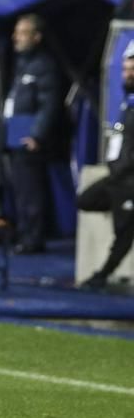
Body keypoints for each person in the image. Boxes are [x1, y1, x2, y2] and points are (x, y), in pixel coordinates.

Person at [3, 13, 65, 254]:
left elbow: (49, 104)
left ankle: (33, 237)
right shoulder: (22, 63)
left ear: (36, 37)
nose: (15, 37)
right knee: (21, 191)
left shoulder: (44, 65)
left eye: (22, 32)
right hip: (15, 136)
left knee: (31, 192)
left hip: (29, 139)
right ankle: (24, 233)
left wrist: (37, 135)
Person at [78, 52, 134, 288]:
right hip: (117, 177)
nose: (127, 75)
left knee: (124, 231)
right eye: (125, 70)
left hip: (130, 180)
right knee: (85, 200)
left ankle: (102, 275)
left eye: (132, 70)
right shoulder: (128, 102)